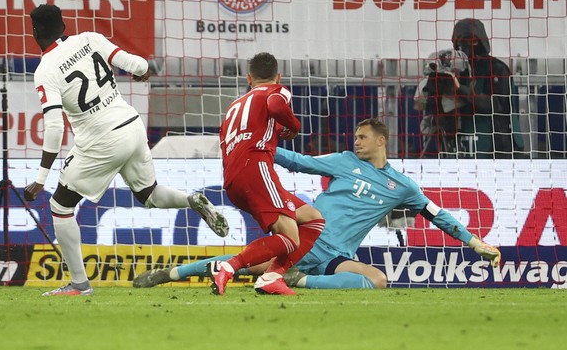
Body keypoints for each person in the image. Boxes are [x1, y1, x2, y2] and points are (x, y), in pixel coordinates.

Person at [135, 118, 502, 290]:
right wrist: (258, 149)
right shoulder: (344, 160)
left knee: (377, 281)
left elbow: (438, 215)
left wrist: (474, 243)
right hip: (305, 237)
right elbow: (301, 162)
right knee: (245, 264)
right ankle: (167, 275)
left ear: (381, 141)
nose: (356, 142)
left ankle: (301, 279)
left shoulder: (402, 186)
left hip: (335, 254)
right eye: (355, 136)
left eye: (362, 137)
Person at [23, 4, 229, 297]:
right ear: (64, 25)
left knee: (61, 207)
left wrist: (41, 178)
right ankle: (191, 199)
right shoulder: (89, 39)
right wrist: (140, 73)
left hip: (101, 139)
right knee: (150, 194)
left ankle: (79, 284)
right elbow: (139, 65)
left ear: (34, 32)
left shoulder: (45, 70)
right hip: (131, 125)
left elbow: (55, 127)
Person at [210, 52, 325, 296]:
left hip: (232, 177)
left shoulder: (234, 106)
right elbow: (275, 105)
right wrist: (294, 127)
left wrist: (277, 130)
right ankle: (228, 267)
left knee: (313, 218)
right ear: (278, 76)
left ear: (248, 78)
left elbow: (228, 139)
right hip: (257, 168)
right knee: (290, 237)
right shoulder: (277, 91)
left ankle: (271, 277)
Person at [451, 18, 525, 158]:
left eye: (472, 40)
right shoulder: (457, 72)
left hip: (499, 146)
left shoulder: (497, 68)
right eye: (462, 42)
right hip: (466, 144)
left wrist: (461, 89)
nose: (467, 47)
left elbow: (496, 104)